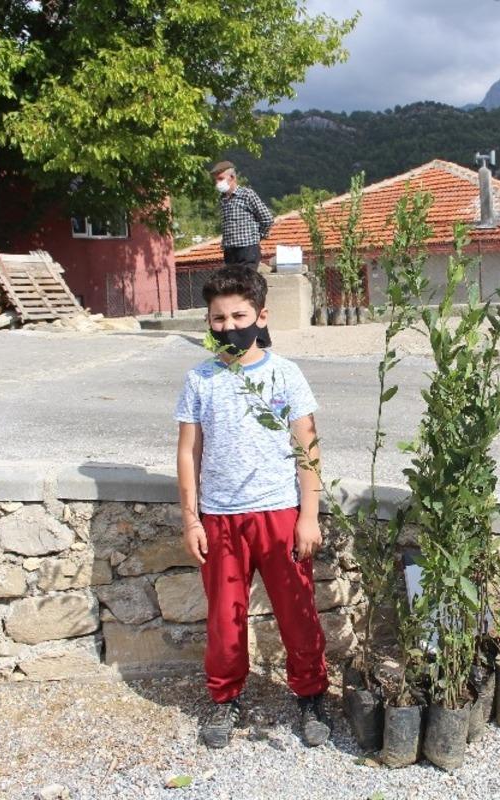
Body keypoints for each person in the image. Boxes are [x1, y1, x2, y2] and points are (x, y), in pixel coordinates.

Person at [174, 266, 330, 750]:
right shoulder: (199, 380)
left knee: (297, 612)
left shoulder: (286, 374)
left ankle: (310, 694)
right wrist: (191, 519)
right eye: (218, 319)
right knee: (224, 619)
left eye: (239, 316)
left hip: (279, 513)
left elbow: (307, 446)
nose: (228, 327)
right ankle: (225, 697)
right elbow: (188, 452)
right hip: (220, 518)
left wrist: (308, 515)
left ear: (261, 316)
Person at [211, 160, 274, 348]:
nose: (218, 183)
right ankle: (237, 336)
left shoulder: (247, 194)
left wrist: (257, 238)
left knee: (249, 291)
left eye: (220, 178)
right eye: (216, 180)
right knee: (233, 293)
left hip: (247, 249)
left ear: (232, 177)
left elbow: (267, 218)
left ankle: (261, 338)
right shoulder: (223, 200)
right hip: (230, 251)